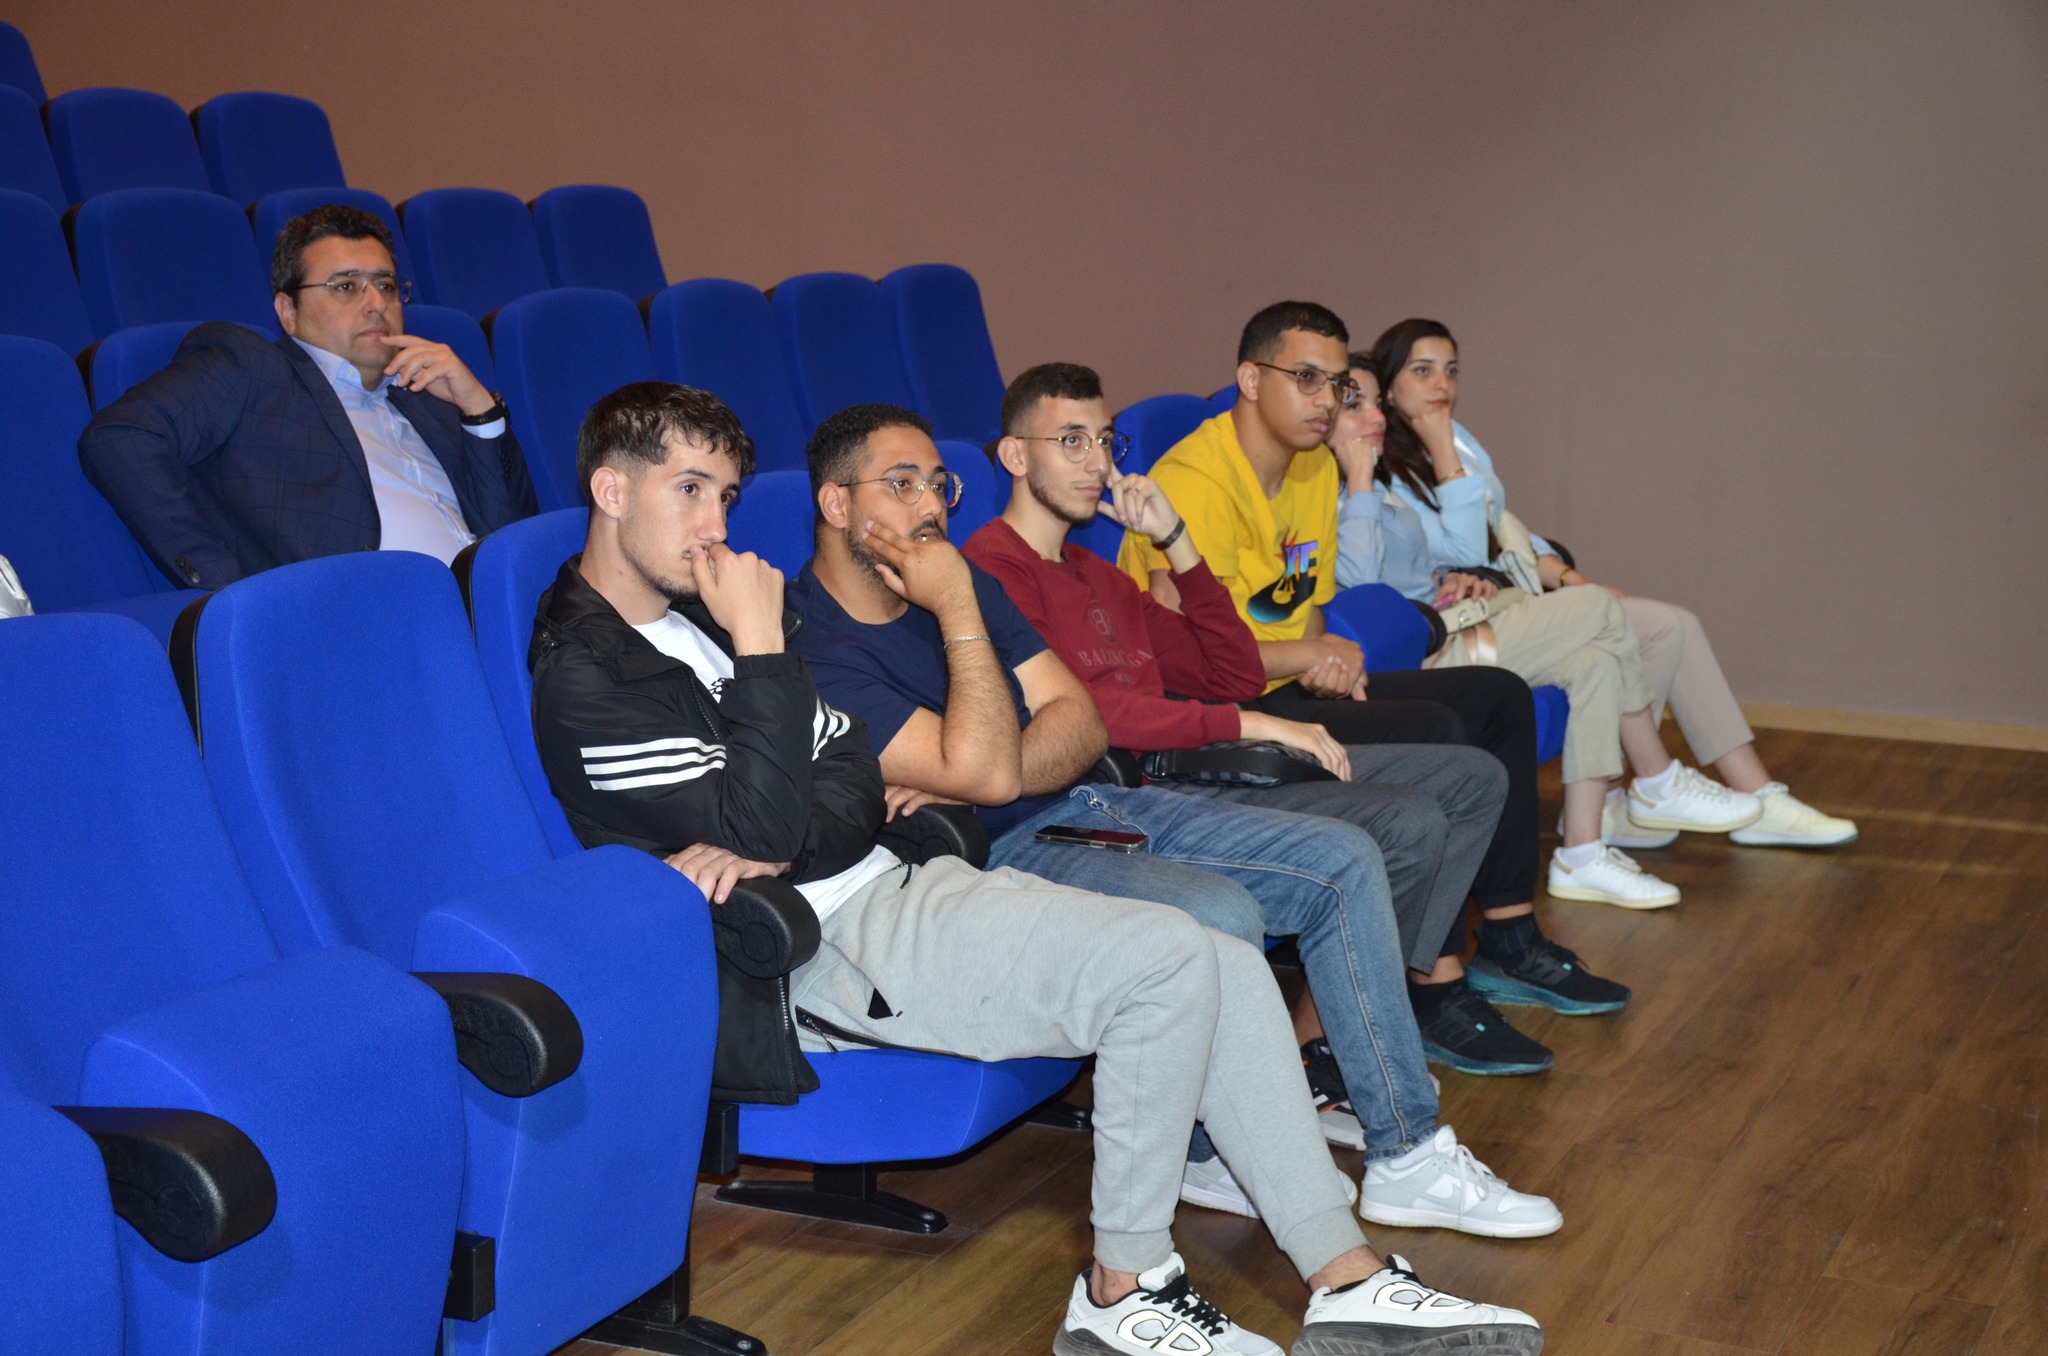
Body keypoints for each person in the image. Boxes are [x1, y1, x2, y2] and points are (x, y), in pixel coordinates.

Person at [528, 380, 1544, 1356]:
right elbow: (783, 811)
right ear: (611, 490)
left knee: (1223, 959)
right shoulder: (592, 678)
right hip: (819, 951)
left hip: (903, 880)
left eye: (725, 495)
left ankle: (1346, 1275)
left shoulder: (703, 622)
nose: (715, 525)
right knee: (1164, 965)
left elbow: (840, 778)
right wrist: (764, 670)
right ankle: (1122, 1291)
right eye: (689, 491)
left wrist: (793, 809)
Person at [788, 400, 1559, 1240]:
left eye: (940, 484)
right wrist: (970, 655)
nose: (932, 506)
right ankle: (1202, 1144)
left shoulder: (961, 585)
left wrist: (994, 764)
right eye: (903, 485)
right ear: (836, 502)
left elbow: (1078, 722)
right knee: (1218, 911)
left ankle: (1405, 1153)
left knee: (1347, 857)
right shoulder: (817, 643)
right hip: (994, 853)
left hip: (1095, 795)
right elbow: (994, 773)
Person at [1120, 302, 1628, 1067]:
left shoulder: (1313, 466)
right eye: (1306, 378)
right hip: (1216, 710)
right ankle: (1433, 979)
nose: (1326, 400)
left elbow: (1305, 605)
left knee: (1495, 696)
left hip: (1281, 682)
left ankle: (1510, 935)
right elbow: (1203, 656)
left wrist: (1318, 653)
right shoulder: (1193, 481)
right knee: (1441, 737)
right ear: (1250, 380)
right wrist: (1310, 654)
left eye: (1336, 383)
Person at [1367, 318, 1856, 851]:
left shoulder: (1457, 439)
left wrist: (1569, 576)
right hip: (1469, 627)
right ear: (1388, 388)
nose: (1442, 384)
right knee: (1619, 622)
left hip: (1512, 596)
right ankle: (1640, 789)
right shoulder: (1385, 466)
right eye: (1422, 371)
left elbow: (1502, 531)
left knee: (1672, 624)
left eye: (1451, 370)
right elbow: (1465, 554)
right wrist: (1441, 449)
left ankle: (1751, 793)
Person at [1328, 353, 1745, 907]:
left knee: (1595, 663)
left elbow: (1416, 571)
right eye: (1355, 405)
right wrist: (1358, 481)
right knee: (1600, 607)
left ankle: (1582, 854)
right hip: (1424, 659)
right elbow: (1360, 589)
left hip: (1453, 623)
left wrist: (1454, 576)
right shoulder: (1333, 494)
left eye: (1378, 403)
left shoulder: (1383, 492)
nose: (1376, 416)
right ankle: (1656, 777)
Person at [80, 204, 536, 590]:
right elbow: (121, 437)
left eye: (386, 285)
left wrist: (480, 411)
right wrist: (224, 586)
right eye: (346, 286)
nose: (377, 303)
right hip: (371, 620)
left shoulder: (427, 397)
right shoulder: (252, 369)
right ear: (288, 312)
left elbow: (512, 534)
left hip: (497, 610)